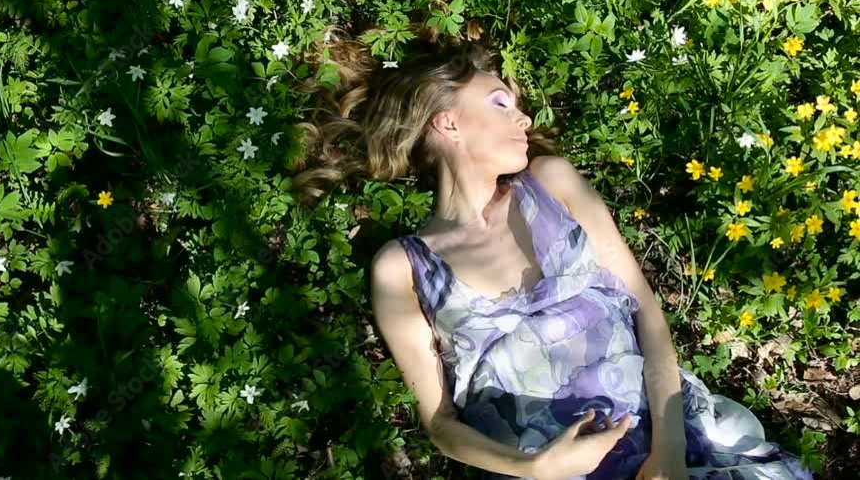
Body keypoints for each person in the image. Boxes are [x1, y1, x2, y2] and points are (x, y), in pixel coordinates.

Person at [289, 26, 813, 480]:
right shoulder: (403, 267)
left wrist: (669, 454)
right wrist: (535, 468)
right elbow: (441, 424)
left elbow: (646, 311)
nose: (523, 119)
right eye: (501, 103)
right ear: (447, 123)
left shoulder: (551, 184)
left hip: (667, 438)